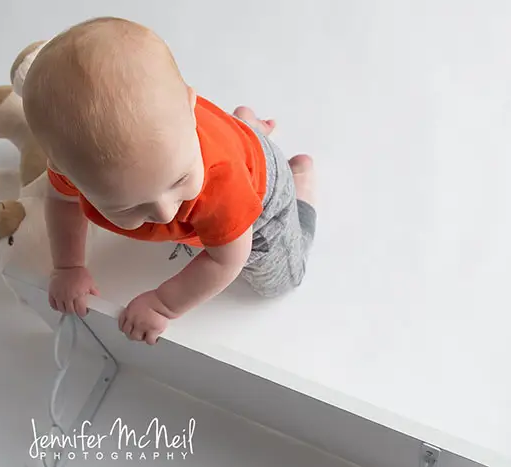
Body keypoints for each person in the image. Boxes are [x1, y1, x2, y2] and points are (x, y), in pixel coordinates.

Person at [22, 16, 317, 345]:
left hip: (264, 193)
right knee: (225, 148)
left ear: (190, 108)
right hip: (230, 139)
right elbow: (62, 202)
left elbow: (226, 259)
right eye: (131, 205)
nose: (165, 213)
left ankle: (300, 186)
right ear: (63, 170)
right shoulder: (92, 161)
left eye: (180, 179)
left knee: (281, 281)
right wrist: (68, 266)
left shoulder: (223, 183)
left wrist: (163, 305)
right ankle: (245, 127)